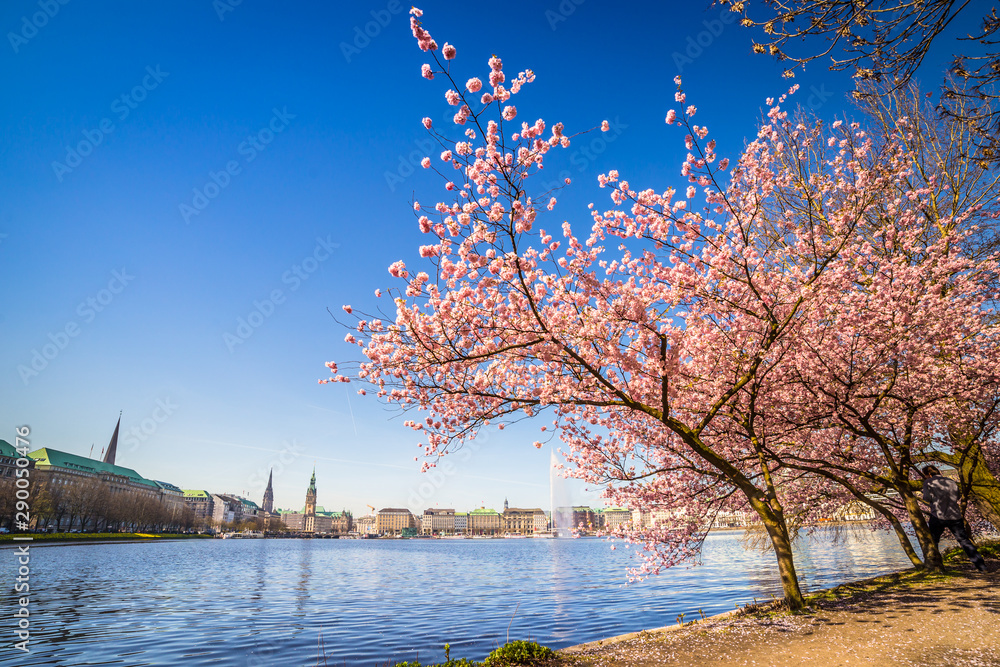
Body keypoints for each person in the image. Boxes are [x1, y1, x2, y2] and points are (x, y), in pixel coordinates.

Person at [920, 465, 988, 572]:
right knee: (964, 541)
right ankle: (981, 566)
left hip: (938, 515)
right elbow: (957, 496)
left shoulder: (928, 482)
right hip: (954, 516)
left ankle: (936, 567)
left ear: (928, 474)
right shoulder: (951, 482)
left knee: (933, 541)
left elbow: (927, 498)